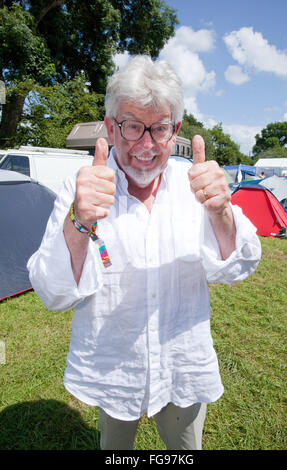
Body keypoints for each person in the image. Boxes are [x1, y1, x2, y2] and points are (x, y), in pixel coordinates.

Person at [27, 55, 261, 450]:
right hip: (115, 369)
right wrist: (80, 220)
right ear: (110, 127)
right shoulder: (79, 188)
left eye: (160, 128)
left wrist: (221, 211)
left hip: (181, 368)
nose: (147, 145)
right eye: (133, 127)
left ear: (176, 131)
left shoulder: (197, 185)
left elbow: (238, 267)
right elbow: (53, 292)